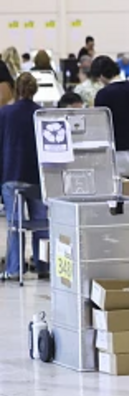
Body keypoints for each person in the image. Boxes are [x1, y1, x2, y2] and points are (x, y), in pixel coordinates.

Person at [0, 73, 47, 279]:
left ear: (15, 89)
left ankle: (14, 269)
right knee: (41, 222)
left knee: (15, 224)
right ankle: (44, 266)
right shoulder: (42, 114)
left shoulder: (4, 113)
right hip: (38, 177)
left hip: (11, 174)